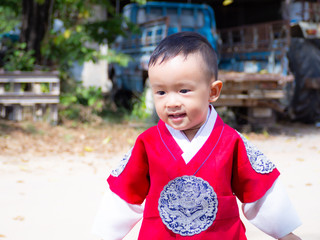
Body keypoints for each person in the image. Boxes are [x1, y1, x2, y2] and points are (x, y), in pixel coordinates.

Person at [92, 32, 302, 239]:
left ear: (213, 92)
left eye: (183, 90)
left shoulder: (231, 142)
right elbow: (124, 195)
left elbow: (260, 191)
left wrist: (286, 234)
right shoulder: (148, 144)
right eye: (161, 92)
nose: (171, 102)